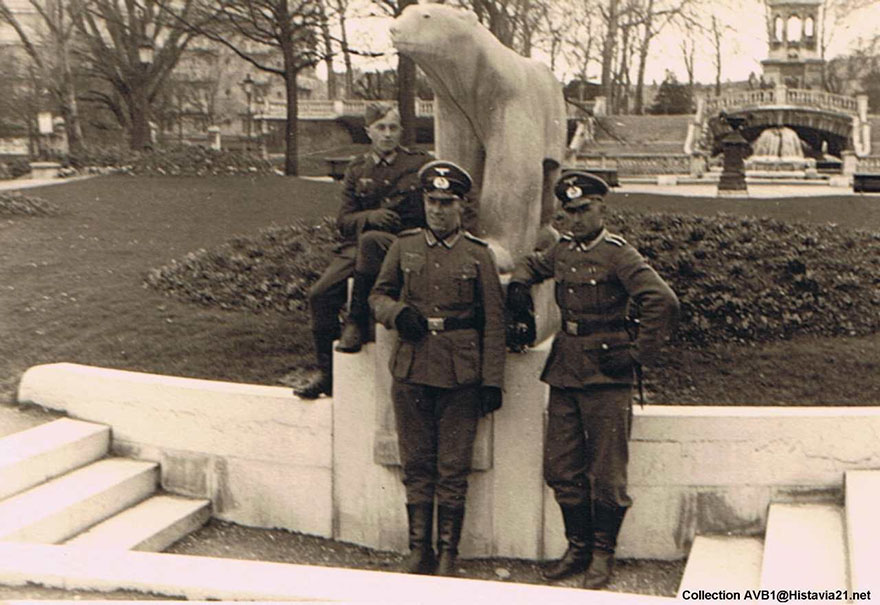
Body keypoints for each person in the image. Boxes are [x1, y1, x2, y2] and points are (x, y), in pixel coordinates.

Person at [506, 171, 679, 589]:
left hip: (607, 371)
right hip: (566, 368)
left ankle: (603, 554)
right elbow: (534, 264)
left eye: (585, 210)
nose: (577, 219)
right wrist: (518, 284)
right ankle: (577, 547)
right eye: (569, 212)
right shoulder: (562, 250)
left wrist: (638, 355)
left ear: (603, 207)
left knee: (607, 473)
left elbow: (662, 300)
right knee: (561, 467)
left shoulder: (619, 254)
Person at [369, 160, 506, 576]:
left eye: (447, 202)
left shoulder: (479, 256)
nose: (439, 210)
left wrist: (492, 381)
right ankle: (418, 550)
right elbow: (377, 295)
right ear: (423, 202)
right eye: (432, 201)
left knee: (452, 466)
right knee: (416, 463)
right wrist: (395, 314)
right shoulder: (403, 246)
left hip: (461, 373)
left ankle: (448, 553)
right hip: (411, 368)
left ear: (462, 206)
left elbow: (494, 324)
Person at [294, 103, 431, 399]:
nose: (387, 134)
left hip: (401, 245)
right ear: (369, 132)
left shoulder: (417, 164)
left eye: (393, 128)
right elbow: (344, 221)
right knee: (319, 295)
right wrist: (369, 217)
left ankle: (355, 320)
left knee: (371, 243)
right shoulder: (357, 169)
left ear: (401, 132)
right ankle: (327, 373)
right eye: (380, 128)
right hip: (357, 249)